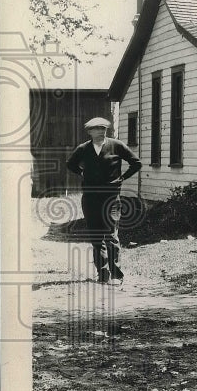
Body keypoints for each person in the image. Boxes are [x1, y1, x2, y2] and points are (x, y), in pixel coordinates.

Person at [66, 117, 142, 285]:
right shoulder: (83, 149)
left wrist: (122, 178)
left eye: (103, 128)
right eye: (97, 128)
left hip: (111, 198)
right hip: (90, 198)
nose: (101, 131)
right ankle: (102, 274)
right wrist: (82, 172)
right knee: (96, 236)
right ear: (89, 132)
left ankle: (116, 275)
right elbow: (70, 164)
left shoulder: (116, 145)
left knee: (111, 235)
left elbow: (136, 163)